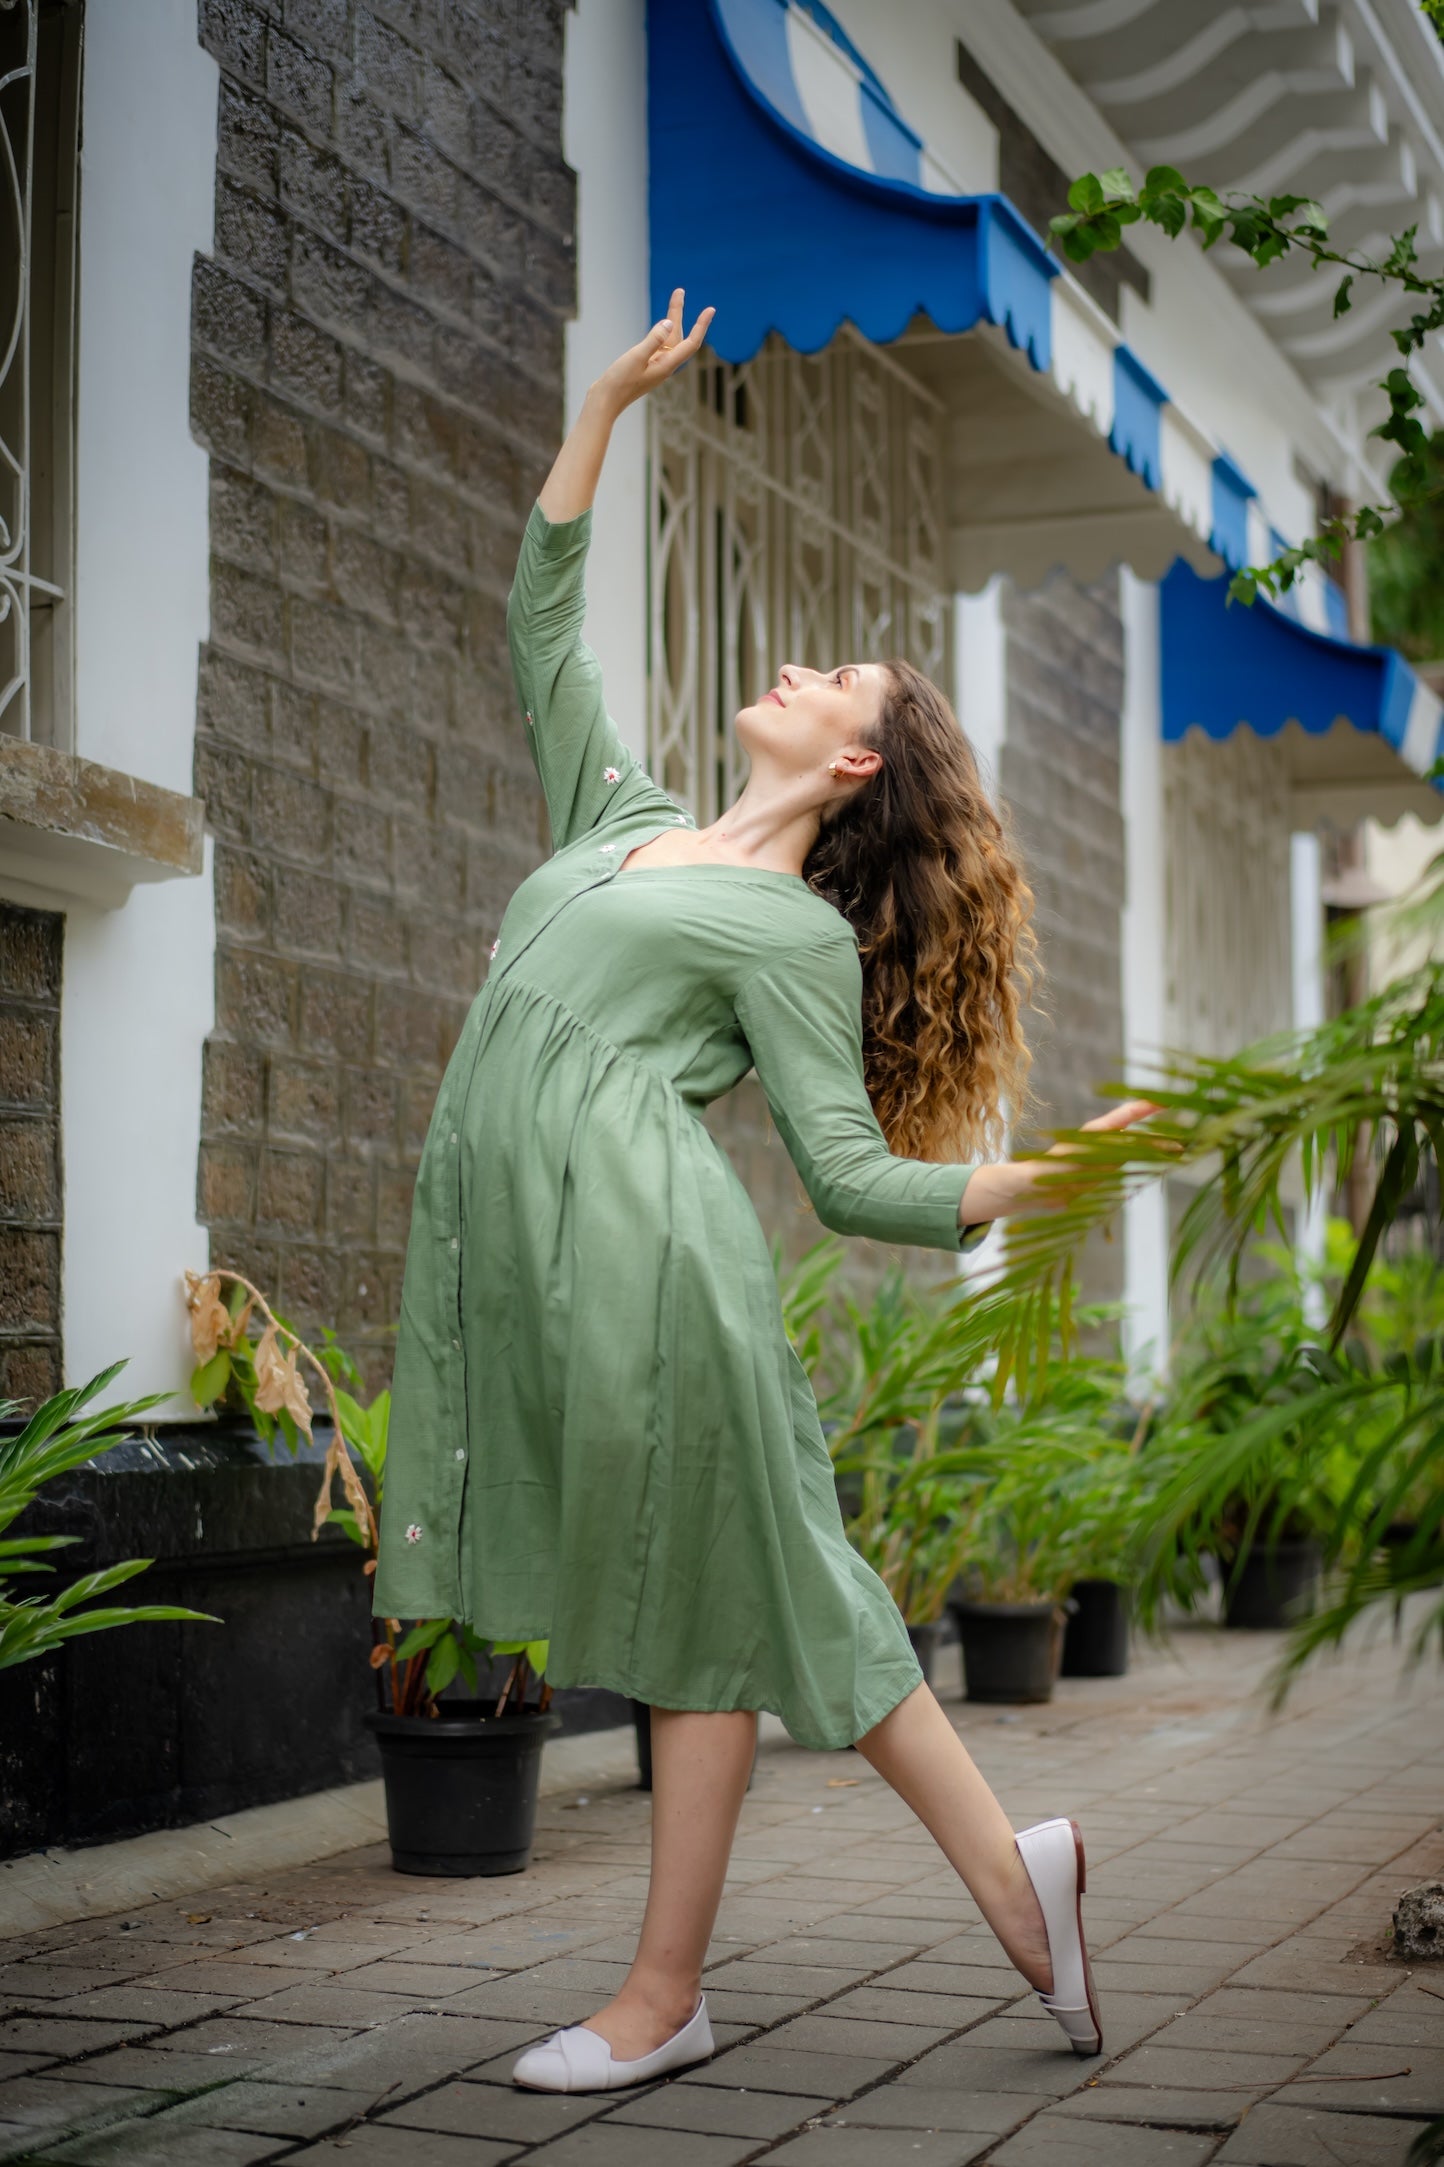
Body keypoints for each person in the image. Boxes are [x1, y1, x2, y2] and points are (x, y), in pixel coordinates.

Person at [372, 291, 1156, 2098]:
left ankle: (667, 1996)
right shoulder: (620, 816)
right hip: (554, 1268)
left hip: (655, 1271)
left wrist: (1035, 1179)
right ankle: (1015, 1890)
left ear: (855, 764)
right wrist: (602, 410)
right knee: (746, 1588)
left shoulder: (794, 933)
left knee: (714, 1597)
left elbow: (850, 1175)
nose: (794, 673)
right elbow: (541, 619)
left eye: (832, 684)